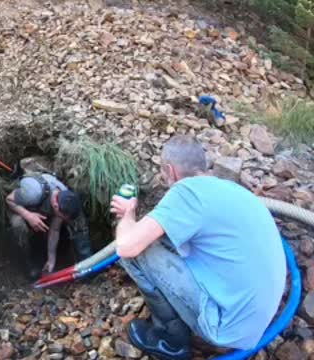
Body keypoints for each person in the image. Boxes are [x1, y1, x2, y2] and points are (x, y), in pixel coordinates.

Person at [109, 135, 286, 359]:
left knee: (137, 253)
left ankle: (171, 340)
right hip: (254, 318)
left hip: (225, 326)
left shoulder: (186, 192)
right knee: (157, 239)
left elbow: (126, 247)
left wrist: (128, 214)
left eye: (163, 174)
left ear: (170, 171)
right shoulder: (231, 189)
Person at [6, 173, 92, 279]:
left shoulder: (64, 197)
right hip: (18, 205)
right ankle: (27, 266)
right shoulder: (33, 194)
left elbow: (55, 230)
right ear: (56, 206)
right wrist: (28, 216)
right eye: (63, 217)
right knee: (18, 226)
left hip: (39, 208)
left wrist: (51, 260)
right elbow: (9, 200)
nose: (64, 220)